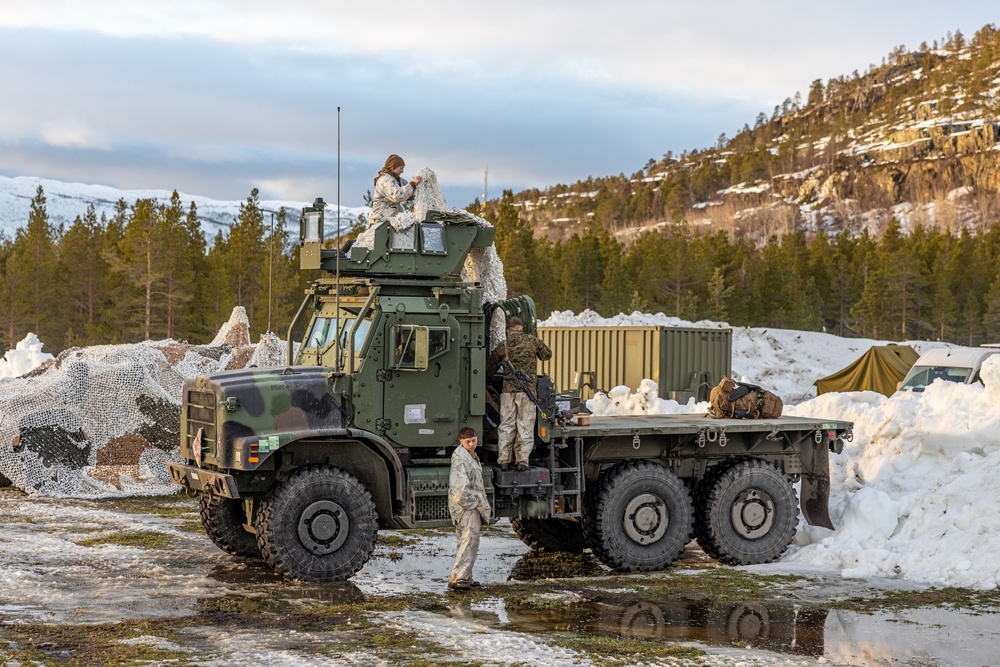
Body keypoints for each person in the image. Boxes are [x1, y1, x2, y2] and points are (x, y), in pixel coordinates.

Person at [486, 316, 552, 471]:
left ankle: (503, 460)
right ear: (521, 327)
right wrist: (539, 340)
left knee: (507, 425)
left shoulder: (504, 344)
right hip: (527, 392)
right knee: (525, 425)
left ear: (508, 329)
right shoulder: (532, 341)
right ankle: (522, 461)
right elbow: (547, 355)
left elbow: (490, 367)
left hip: (508, 392)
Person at [448, 427, 491, 591]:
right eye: (468, 442)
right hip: (466, 507)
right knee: (469, 541)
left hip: (466, 506)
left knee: (466, 541)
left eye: (474, 440)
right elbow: (461, 491)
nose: (472, 444)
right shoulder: (461, 460)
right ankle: (460, 578)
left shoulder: (469, 456)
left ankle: (464, 576)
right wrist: (474, 504)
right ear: (461, 441)